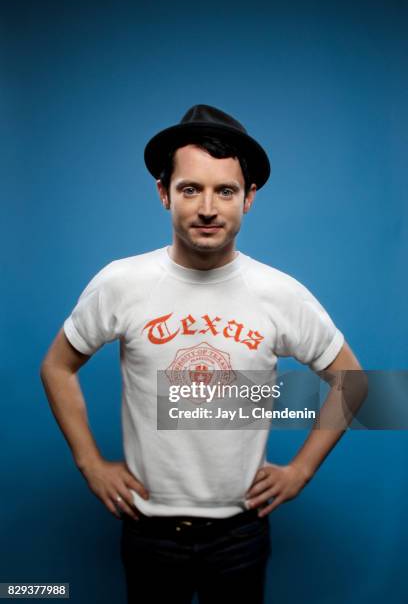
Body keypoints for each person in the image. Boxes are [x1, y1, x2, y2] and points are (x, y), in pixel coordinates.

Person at [40, 104, 363, 604]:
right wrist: (90, 463)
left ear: (249, 199)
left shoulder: (280, 294)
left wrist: (299, 470)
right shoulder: (121, 283)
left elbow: (354, 382)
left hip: (240, 534)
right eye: (191, 188)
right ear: (163, 193)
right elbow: (57, 366)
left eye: (225, 191)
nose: (207, 207)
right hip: (146, 528)